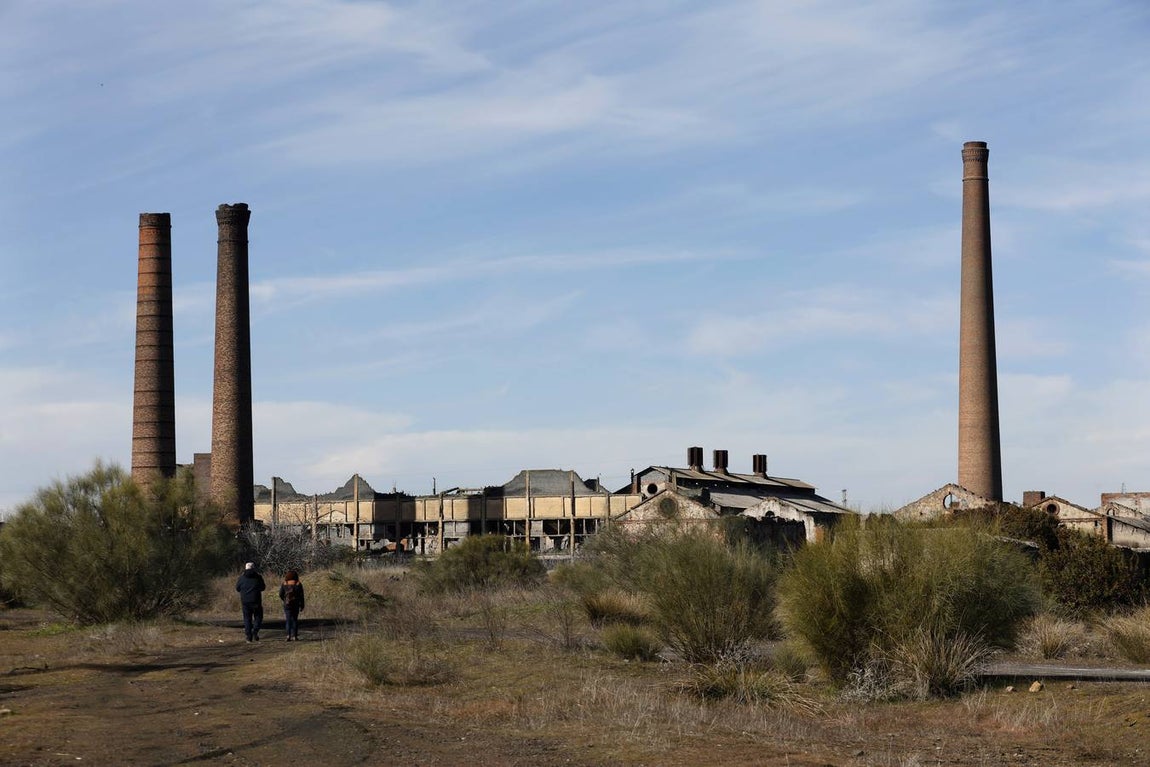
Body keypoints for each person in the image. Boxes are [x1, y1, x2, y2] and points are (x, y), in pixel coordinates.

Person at [235, 562, 266, 642]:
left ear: (245, 568)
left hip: (245, 601)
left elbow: (237, 588)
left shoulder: (242, 578)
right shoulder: (258, 577)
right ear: (254, 568)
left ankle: (248, 636)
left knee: (247, 619)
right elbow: (263, 587)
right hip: (256, 600)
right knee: (258, 617)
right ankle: (255, 631)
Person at [279, 569, 305, 641]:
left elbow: (280, 594)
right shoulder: (298, 584)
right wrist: (302, 605)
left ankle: (288, 636)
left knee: (288, 620)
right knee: (294, 620)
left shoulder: (284, 583)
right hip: (295, 604)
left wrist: (284, 600)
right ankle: (295, 636)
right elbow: (301, 596)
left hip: (287, 604)